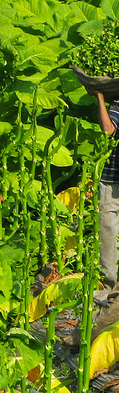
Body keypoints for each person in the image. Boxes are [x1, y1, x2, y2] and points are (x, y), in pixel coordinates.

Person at [92, 89, 119, 309]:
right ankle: (110, 289)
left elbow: (108, 130)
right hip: (112, 179)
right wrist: (101, 99)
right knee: (108, 232)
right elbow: (109, 130)